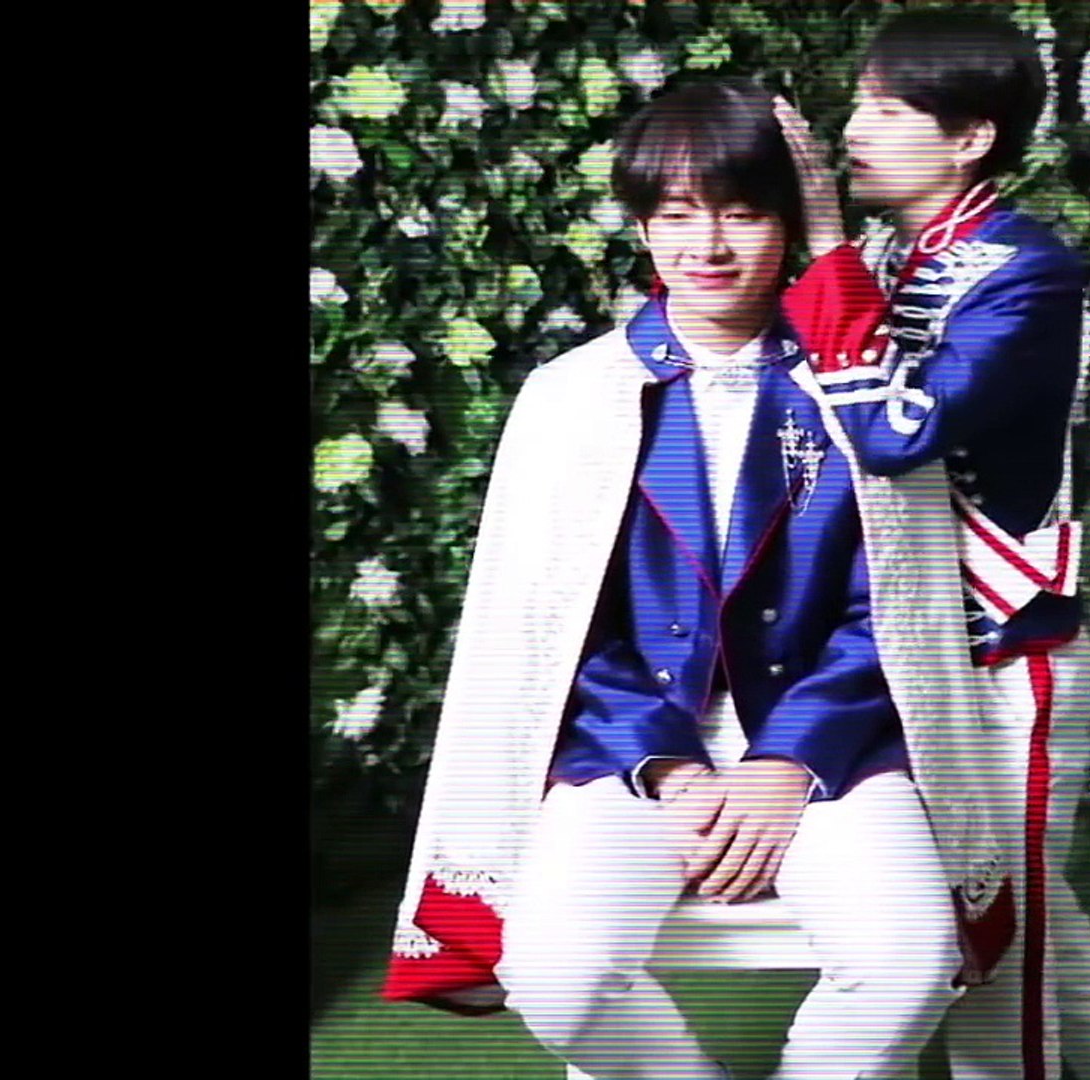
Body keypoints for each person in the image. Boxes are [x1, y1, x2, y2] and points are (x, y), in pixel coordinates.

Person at [382, 76, 1019, 1080]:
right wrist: (668, 767)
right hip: (629, 744)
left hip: (828, 739)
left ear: (789, 223)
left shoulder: (857, 387)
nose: (708, 246)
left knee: (905, 961)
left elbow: (895, 606)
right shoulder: (572, 397)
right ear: (642, 227)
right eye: (677, 215)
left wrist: (787, 762)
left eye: (742, 212)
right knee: (555, 972)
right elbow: (556, 628)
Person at [772, 8, 1090, 1080]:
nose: (852, 129)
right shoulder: (890, 253)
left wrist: (824, 245)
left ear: (970, 138)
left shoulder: (1027, 268)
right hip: (904, 648)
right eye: (857, 104)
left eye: (886, 109)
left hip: (1002, 653)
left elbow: (890, 432)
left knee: (999, 953)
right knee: (1017, 913)